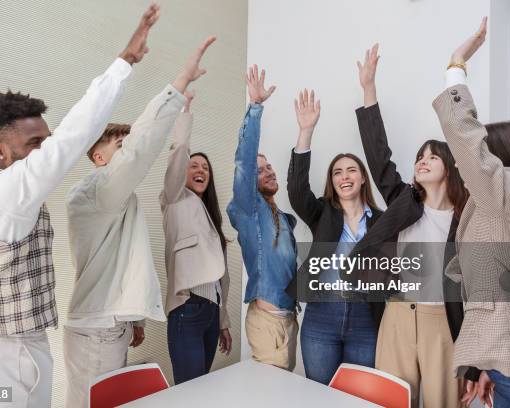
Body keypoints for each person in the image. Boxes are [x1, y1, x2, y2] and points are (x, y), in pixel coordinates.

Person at [0, 4, 160, 406]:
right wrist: (124, 62)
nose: (45, 153)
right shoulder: (6, 192)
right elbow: (70, 142)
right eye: (34, 144)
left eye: (45, 141)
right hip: (7, 352)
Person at [63, 35, 216, 405]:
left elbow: (118, 263)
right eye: (119, 147)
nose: (127, 151)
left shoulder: (112, 198)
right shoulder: (98, 191)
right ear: (98, 156)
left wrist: (134, 317)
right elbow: (140, 150)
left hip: (107, 325)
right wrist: (179, 84)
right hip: (98, 331)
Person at [433, 17, 510, 407]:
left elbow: (464, 137)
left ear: (500, 160)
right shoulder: (507, 208)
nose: (465, 174)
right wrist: (488, 364)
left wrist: (456, 64)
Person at [355, 44, 473, 408]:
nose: (422, 161)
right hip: (396, 316)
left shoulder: (466, 215)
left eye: (432, 157)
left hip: (443, 322)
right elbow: (379, 157)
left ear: (449, 167)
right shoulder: (404, 201)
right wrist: (369, 90)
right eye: (419, 157)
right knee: (389, 400)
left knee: (443, 403)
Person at [287, 88, 384, 384]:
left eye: (351, 170)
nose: (344, 177)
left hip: (366, 319)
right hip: (321, 317)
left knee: (359, 397)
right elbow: (297, 190)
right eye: (337, 172)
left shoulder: (381, 221)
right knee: (320, 396)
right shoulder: (322, 213)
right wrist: (306, 132)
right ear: (332, 181)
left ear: (363, 177)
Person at [226, 65, 298, 371]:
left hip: (290, 320)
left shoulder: (282, 217)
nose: (267, 170)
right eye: (260, 169)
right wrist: (255, 108)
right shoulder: (247, 210)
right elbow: (244, 160)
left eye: (269, 166)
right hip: (265, 320)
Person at [160, 89, 233, 384]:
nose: (201, 170)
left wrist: (223, 321)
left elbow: (219, 280)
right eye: (194, 166)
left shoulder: (211, 219)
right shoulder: (174, 198)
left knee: (202, 390)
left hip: (211, 313)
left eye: (205, 168)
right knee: (189, 394)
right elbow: (178, 152)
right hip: (187, 308)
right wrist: (184, 111)